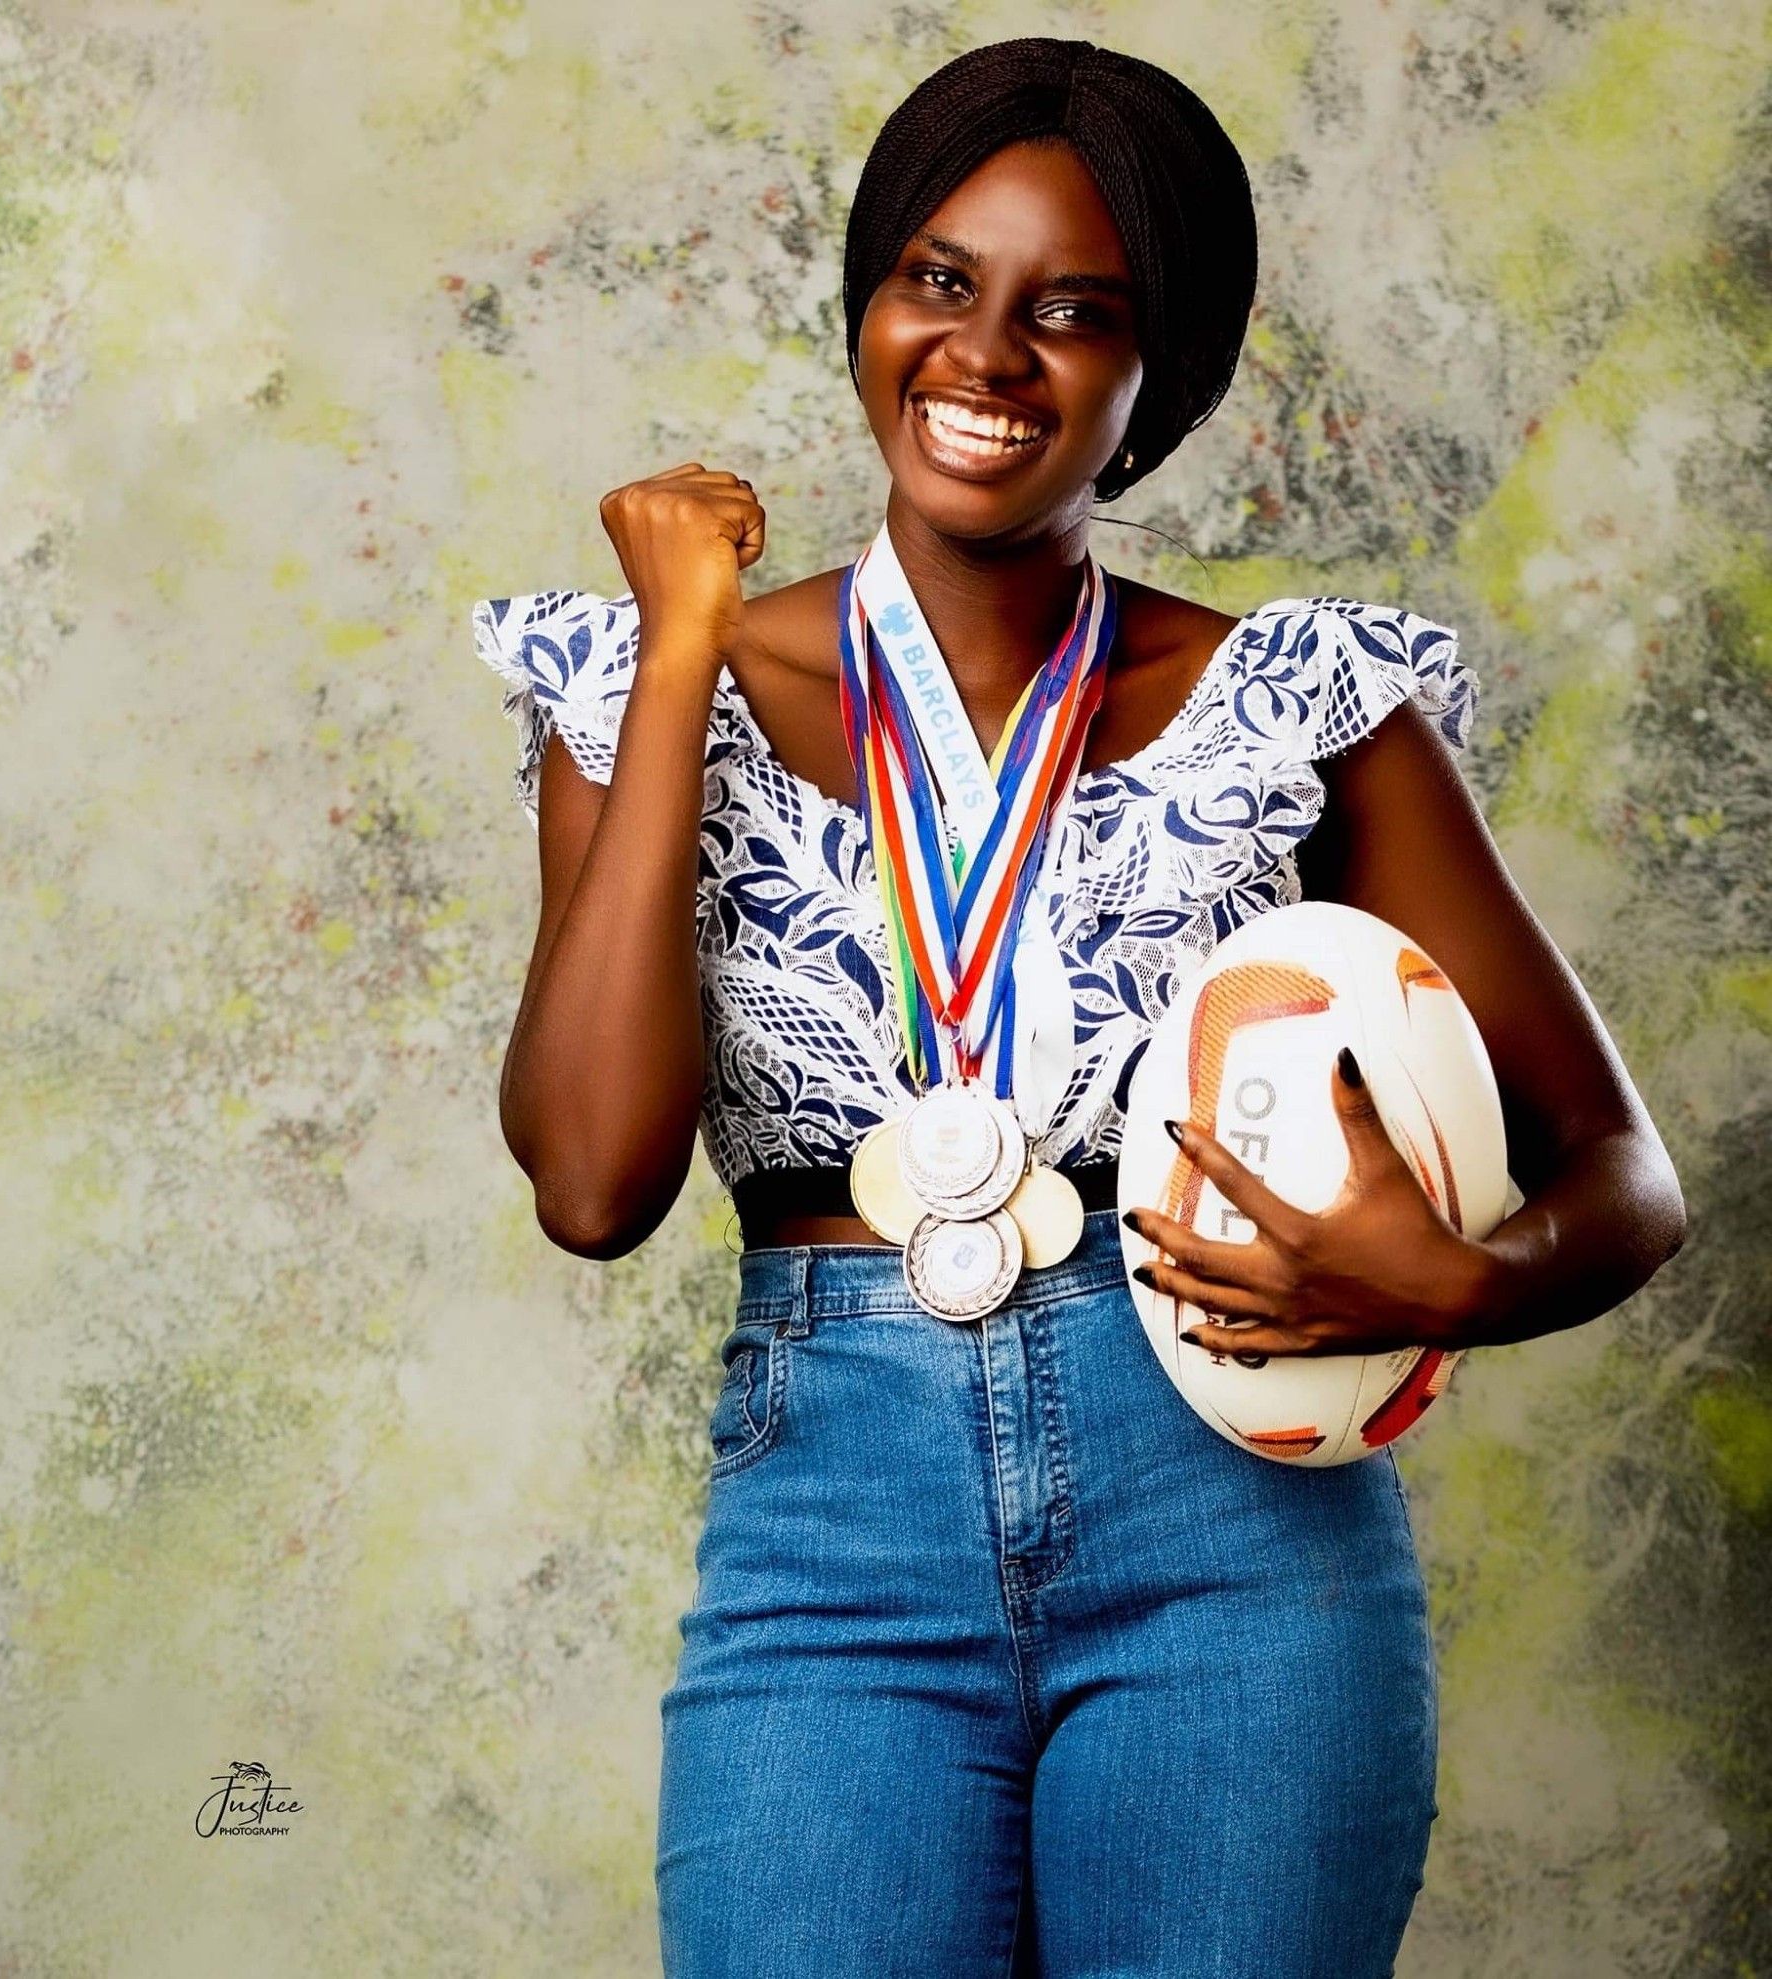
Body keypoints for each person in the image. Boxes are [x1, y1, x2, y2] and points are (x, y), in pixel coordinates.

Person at [472, 36, 1686, 1979]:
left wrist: (1461, 1282)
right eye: (938, 280)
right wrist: (684, 646)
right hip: (829, 1546)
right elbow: (597, 1182)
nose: (984, 353)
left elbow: (1618, 1171)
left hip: (1233, 1538)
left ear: (1153, 375)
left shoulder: (1299, 699)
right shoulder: (645, 687)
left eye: (1074, 312)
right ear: (871, 300)